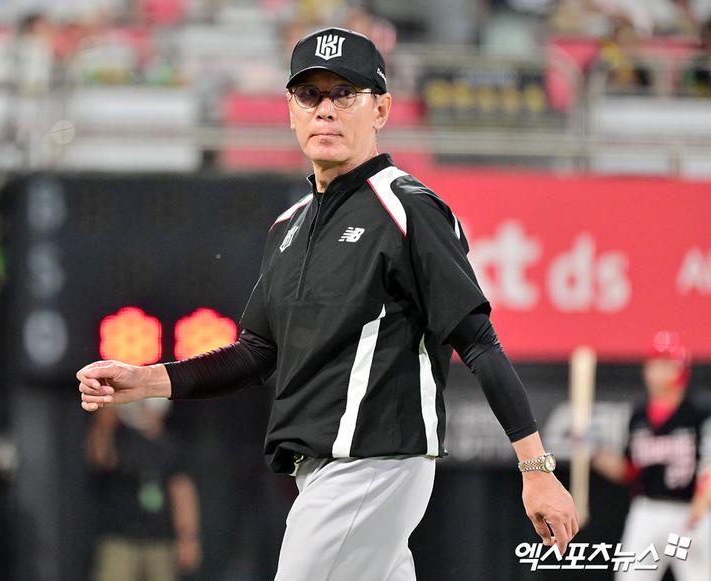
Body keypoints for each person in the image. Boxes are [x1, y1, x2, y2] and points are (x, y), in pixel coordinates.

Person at [77, 27, 578, 580]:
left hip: (371, 465)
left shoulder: (408, 209)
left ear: (381, 109)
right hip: (324, 472)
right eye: (309, 94)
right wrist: (146, 380)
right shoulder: (289, 226)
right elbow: (255, 353)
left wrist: (535, 467)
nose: (325, 109)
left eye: (345, 93)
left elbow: (478, 342)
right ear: (291, 111)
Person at [593, 331, 711, 581]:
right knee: (631, 576)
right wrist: (592, 451)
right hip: (647, 510)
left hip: (687, 512)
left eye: (665, 364)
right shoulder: (639, 416)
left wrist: (703, 502)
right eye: (654, 363)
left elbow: (709, 465)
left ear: (680, 369)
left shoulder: (698, 414)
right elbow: (629, 470)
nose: (657, 371)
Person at [86, 399, 202, 581]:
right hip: (120, 538)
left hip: (160, 540)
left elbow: (182, 492)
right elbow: (100, 458)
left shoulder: (171, 446)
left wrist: (188, 538)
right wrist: (105, 422)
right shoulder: (121, 437)